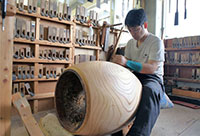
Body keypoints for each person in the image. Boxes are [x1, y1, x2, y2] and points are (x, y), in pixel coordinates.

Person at [111, 8, 165, 136]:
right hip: (135, 75)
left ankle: (138, 134)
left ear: (144, 25)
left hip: (153, 78)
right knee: (116, 88)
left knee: (149, 91)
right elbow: (127, 64)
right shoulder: (130, 43)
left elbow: (152, 68)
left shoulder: (155, 42)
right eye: (130, 30)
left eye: (136, 29)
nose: (133, 34)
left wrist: (126, 62)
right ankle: (115, 130)